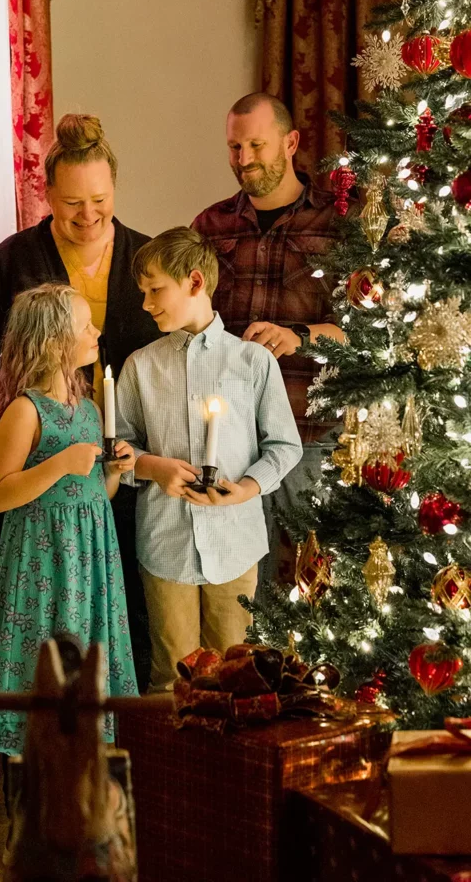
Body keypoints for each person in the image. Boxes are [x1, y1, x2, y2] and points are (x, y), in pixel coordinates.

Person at [0, 114, 160, 686]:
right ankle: (39, 756)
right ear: (46, 194)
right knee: (44, 623)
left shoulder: (147, 259)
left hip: (118, 463)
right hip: (40, 490)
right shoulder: (17, 256)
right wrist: (16, 420)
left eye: (100, 199)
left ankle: (111, 753)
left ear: (115, 189)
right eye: (72, 203)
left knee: (119, 608)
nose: (88, 214)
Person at [115, 227, 302, 691]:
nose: (146, 303)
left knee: (240, 677)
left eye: (155, 290)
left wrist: (246, 488)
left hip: (235, 545)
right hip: (164, 542)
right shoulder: (141, 365)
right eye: (143, 292)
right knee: (172, 679)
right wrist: (151, 466)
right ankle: (172, 764)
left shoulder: (253, 363)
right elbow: (118, 444)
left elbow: (284, 445)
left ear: (195, 282)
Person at [191, 92, 346, 585]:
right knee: (239, 594)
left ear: (290, 143)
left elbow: (369, 332)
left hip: (310, 437)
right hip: (231, 442)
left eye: (256, 145)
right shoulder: (208, 227)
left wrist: (299, 335)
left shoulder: (339, 224)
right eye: (235, 147)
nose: (244, 160)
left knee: (308, 590)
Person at [0, 283, 138, 754]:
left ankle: (84, 760)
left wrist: (113, 471)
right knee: (43, 651)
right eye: (85, 326)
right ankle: (37, 770)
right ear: (52, 343)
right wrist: (60, 463)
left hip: (90, 556)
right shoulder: (25, 411)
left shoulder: (89, 409)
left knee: (86, 650)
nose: (97, 332)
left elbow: (95, 495)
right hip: (41, 558)